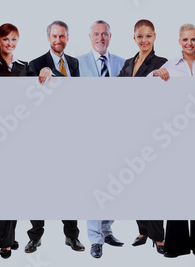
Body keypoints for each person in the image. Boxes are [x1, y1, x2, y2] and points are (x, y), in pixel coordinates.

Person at [0, 23, 35, 258]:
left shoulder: (24, 66)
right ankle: (5, 243)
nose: (10, 44)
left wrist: (45, 73)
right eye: (6, 40)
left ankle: (10, 236)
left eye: (14, 40)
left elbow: (38, 91)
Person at [25, 21, 83, 254]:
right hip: (42, 134)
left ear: (68, 37)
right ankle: (35, 237)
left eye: (63, 36)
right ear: (48, 37)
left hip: (68, 132)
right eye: (54, 36)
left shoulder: (75, 63)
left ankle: (71, 236)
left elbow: (75, 92)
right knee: (39, 187)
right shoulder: (35, 64)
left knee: (68, 186)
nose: (58, 40)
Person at [117, 19, 167, 254]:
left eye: (148, 36)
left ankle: (158, 236)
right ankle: (143, 229)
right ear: (134, 38)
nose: (144, 40)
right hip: (129, 128)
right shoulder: (128, 63)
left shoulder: (162, 63)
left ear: (154, 37)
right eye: (140, 36)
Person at [77, 20, 125, 259]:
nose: (101, 38)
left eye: (104, 34)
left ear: (110, 36)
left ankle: (106, 230)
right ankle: (95, 239)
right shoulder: (78, 63)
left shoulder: (122, 63)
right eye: (96, 34)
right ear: (89, 36)